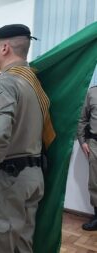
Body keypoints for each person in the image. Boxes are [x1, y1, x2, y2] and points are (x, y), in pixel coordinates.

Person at [0, 24, 48, 252]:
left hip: (9, 179)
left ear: (5, 47)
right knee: (22, 244)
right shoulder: (33, 81)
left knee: (0, 243)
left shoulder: (5, 82)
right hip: (33, 176)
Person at [77, 86, 97, 231]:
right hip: (95, 144)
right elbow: (82, 118)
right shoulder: (92, 92)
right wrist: (82, 141)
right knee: (95, 182)